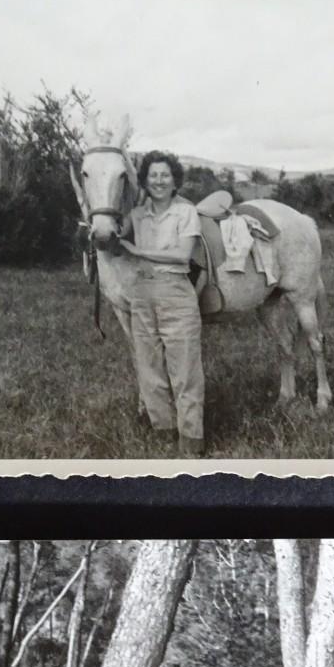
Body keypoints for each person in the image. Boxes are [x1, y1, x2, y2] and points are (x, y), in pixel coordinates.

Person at [119, 150, 205, 458]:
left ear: (174, 180)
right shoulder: (138, 215)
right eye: (152, 175)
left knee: (185, 370)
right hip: (142, 294)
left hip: (176, 293)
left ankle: (191, 442)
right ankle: (163, 432)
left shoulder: (186, 212)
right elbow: (113, 236)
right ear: (144, 180)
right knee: (149, 368)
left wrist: (138, 250)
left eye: (164, 175)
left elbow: (183, 255)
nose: (158, 181)